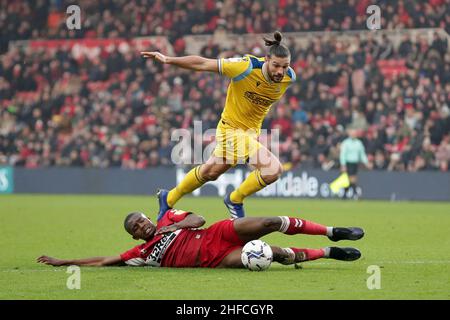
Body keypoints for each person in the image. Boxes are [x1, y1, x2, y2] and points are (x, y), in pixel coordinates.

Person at [141, 31, 296, 219]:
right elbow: (203, 63)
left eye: (285, 66)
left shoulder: (289, 77)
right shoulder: (245, 67)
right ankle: (235, 199)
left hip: (250, 133)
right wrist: (168, 60)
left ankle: (168, 198)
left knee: (210, 172)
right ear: (266, 60)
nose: (280, 71)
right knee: (273, 169)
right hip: (231, 130)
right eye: (276, 65)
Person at [37, 207, 364, 269]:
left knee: (270, 221)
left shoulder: (169, 218)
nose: (141, 227)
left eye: (141, 221)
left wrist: (171, 227)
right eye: (135, 228)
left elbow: (199, 219)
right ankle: (327, 253)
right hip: (216, 259)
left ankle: (333, 232)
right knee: (271, 254)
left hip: (217, 232)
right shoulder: (141, 252)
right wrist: (64, 260)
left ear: (149, 218)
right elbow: (104, 260)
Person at [339, 128, 370, 199]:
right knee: (349, 179)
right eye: (352, 133)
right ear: (349, 134)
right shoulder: (346, 143)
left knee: (352, 179)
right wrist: (343, 164)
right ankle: (354, 193)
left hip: (355, 163)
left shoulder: (359, 143)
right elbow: (343, 154)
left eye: (354, 133)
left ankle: (346, 195)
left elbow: (362, 154)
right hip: (348, 163)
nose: (353, 135)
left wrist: (366, 162)